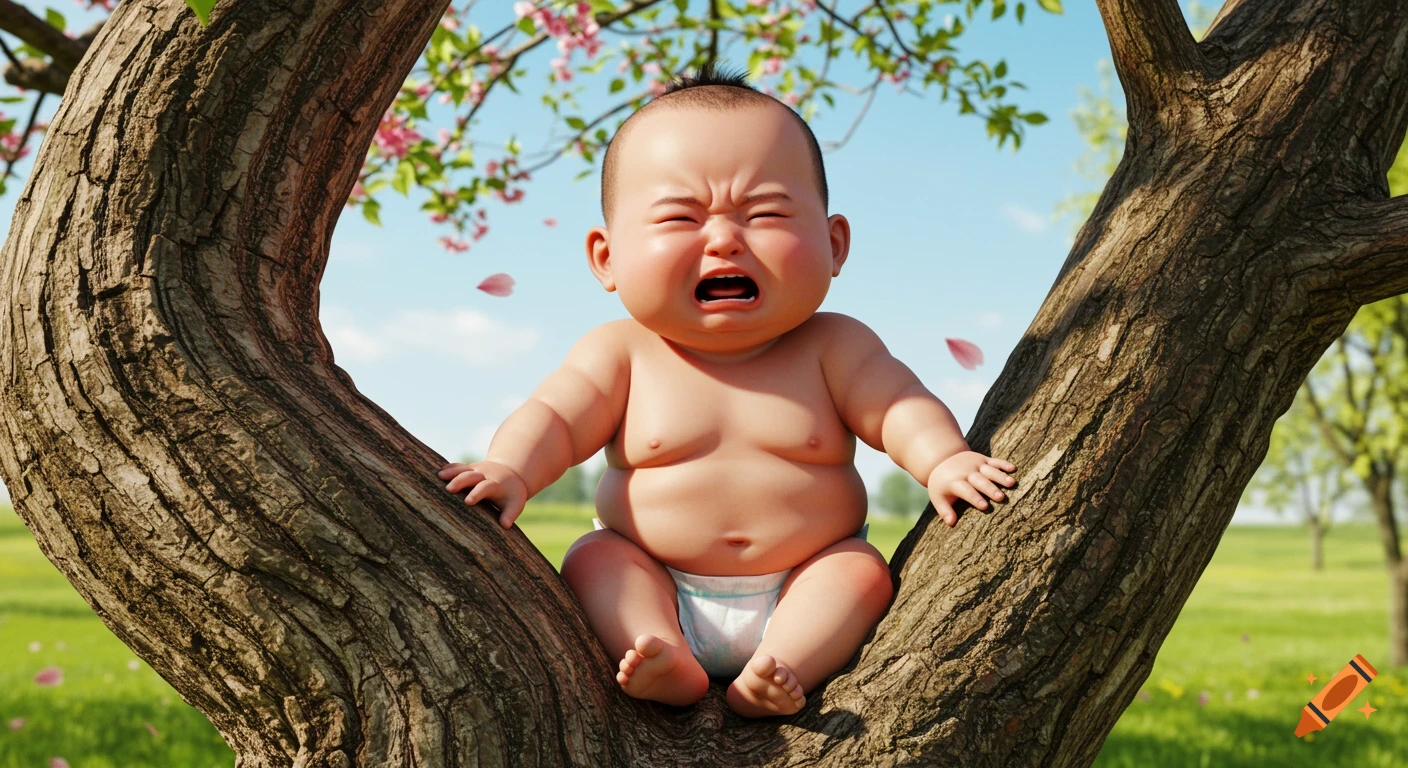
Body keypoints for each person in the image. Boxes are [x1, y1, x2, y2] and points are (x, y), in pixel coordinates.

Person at [437, 62, 1017, 718]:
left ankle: (781, 669)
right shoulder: (620, 352)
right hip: (657, 578)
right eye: (680, 218)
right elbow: (556, 419)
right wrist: (511, 468)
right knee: (596, 557)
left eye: (765, 213)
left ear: (833, 245)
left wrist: (943, 459)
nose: (723, 241)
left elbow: (898, 406)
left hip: (803, 581)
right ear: (606, 257)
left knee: (860, 570)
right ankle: (660, 652)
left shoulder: (836, 346)